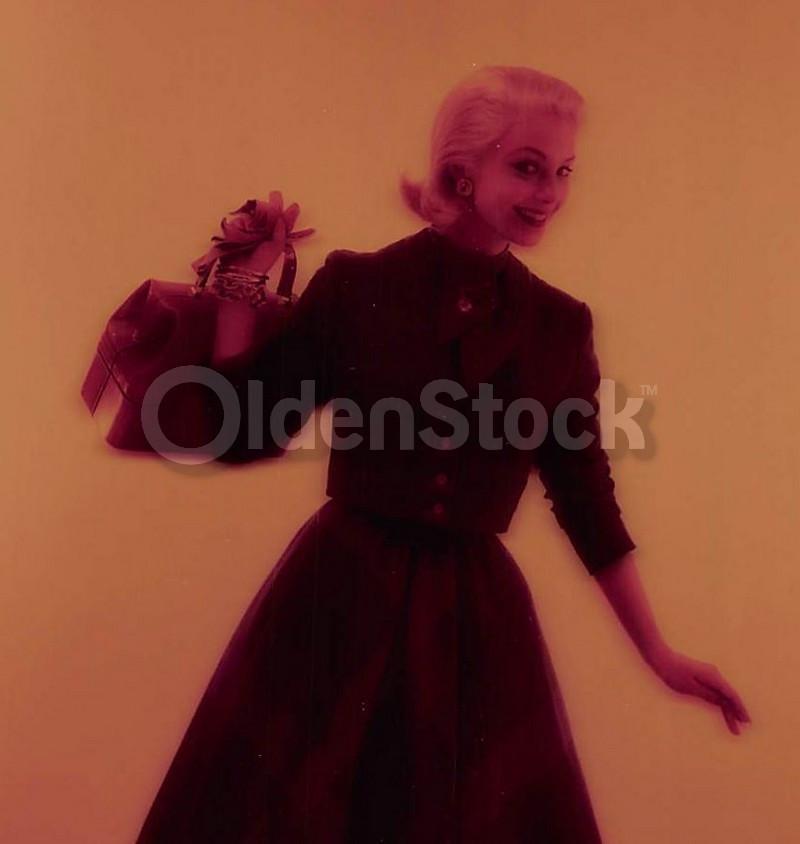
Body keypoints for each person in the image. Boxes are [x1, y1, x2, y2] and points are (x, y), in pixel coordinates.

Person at [135, 65, 751, 843]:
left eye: (563, 172)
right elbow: (242, 432)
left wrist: (657, 652)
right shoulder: (358, 285)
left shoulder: (559, 326)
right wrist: (238, 289)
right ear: (461, 170)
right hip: (335, 605)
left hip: (472, 633)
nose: (549, 193)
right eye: (527, 166)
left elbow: (588, 502)